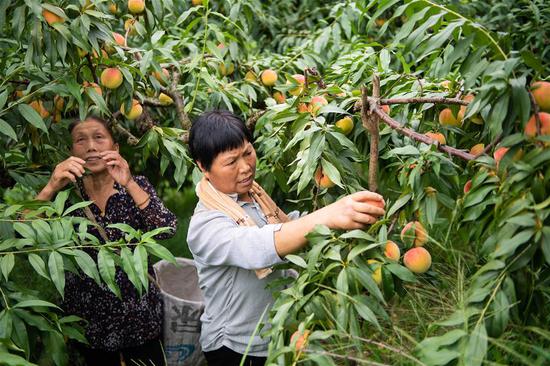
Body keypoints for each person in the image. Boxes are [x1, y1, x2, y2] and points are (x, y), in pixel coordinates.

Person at [187, 110, 385, 366]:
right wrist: (328, 216)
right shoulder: (205, 224)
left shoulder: (254, 195)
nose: (246, 167)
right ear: (203, 167)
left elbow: (285, 225)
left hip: (277, 335)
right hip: (235, 347)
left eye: (248, 153)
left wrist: (345, 214)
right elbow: (257, 246)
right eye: (231, 162)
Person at [36, 116, 177, 366]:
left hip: (140, 320)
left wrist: (130, 183)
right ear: (71, 152)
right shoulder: (64, 198)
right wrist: (50, 187)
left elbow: (166, 229)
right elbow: (20, 236)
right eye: (81, 140)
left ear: (115, 148)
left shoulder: (136, 187)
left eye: (99, 138)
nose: (91, 146)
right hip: (89, 323)